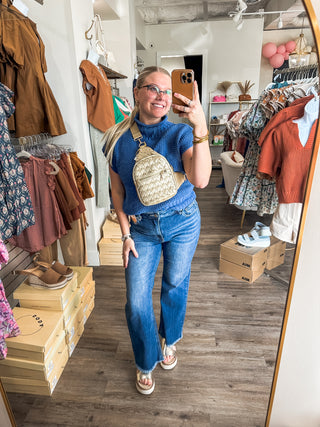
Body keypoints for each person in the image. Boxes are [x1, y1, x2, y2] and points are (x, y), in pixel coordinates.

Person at [102, 66, 212, 395]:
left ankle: (170, 340)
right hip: (141, 230)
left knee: (174, 285)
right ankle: (146, 359)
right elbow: (117, 193)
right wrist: (124, 234)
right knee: (137, 302)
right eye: (153, 88)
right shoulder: (116, 139)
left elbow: (201, 180)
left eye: (167, 91)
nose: (161, 96)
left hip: (182, 221)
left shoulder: (180, 134)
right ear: (136, 92)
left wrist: (200, 127)